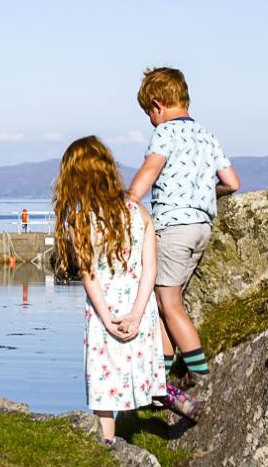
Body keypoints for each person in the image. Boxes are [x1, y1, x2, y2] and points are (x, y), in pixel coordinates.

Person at [125, 66, 237, 417]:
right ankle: (160, 379)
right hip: (201, 226)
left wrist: (128, 202)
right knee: (165, 303)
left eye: (149, 115)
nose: (151, 122)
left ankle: (201, 378)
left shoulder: (165, 135)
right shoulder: (207, 135)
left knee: (170, 305)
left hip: (173, 228)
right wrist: (203, 193)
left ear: (157, 105)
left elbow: (148, 173)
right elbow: (231, 182)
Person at [53, 136, 164, 445]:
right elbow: (150, 269)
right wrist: (138, 313)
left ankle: (107, 448)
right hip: (140, 311)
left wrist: (107, 317)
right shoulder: (139, 212)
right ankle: (189, 405)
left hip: (106, 315)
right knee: (145, 376)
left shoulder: (80, 221)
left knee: (106, 393)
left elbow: (88, 275)